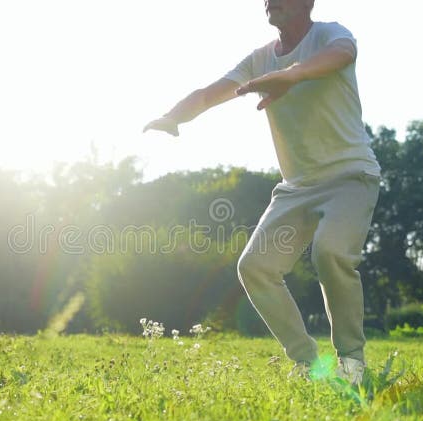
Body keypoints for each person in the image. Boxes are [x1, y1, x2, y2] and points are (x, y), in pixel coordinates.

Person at [143, 0, 380, 386]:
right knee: (255, 267)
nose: (269, 1)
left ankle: (352, 360)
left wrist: (293, 75)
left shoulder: (329, 34)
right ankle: (308, 364)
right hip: (296, 186)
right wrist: (173, 117)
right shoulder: (258, 59)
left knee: (330, 252)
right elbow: (207, 94)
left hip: (350, 175)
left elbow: (343, 54)